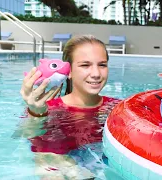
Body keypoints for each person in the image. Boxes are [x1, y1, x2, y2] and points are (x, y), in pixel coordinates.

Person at [18, 35, 121, 179]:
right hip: (54, 162)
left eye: (102, 65)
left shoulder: (118, 108)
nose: (96, 74)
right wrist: (36, 113)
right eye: (85, 65)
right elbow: (25, 134)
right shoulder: (47, 108)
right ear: (69, 71)